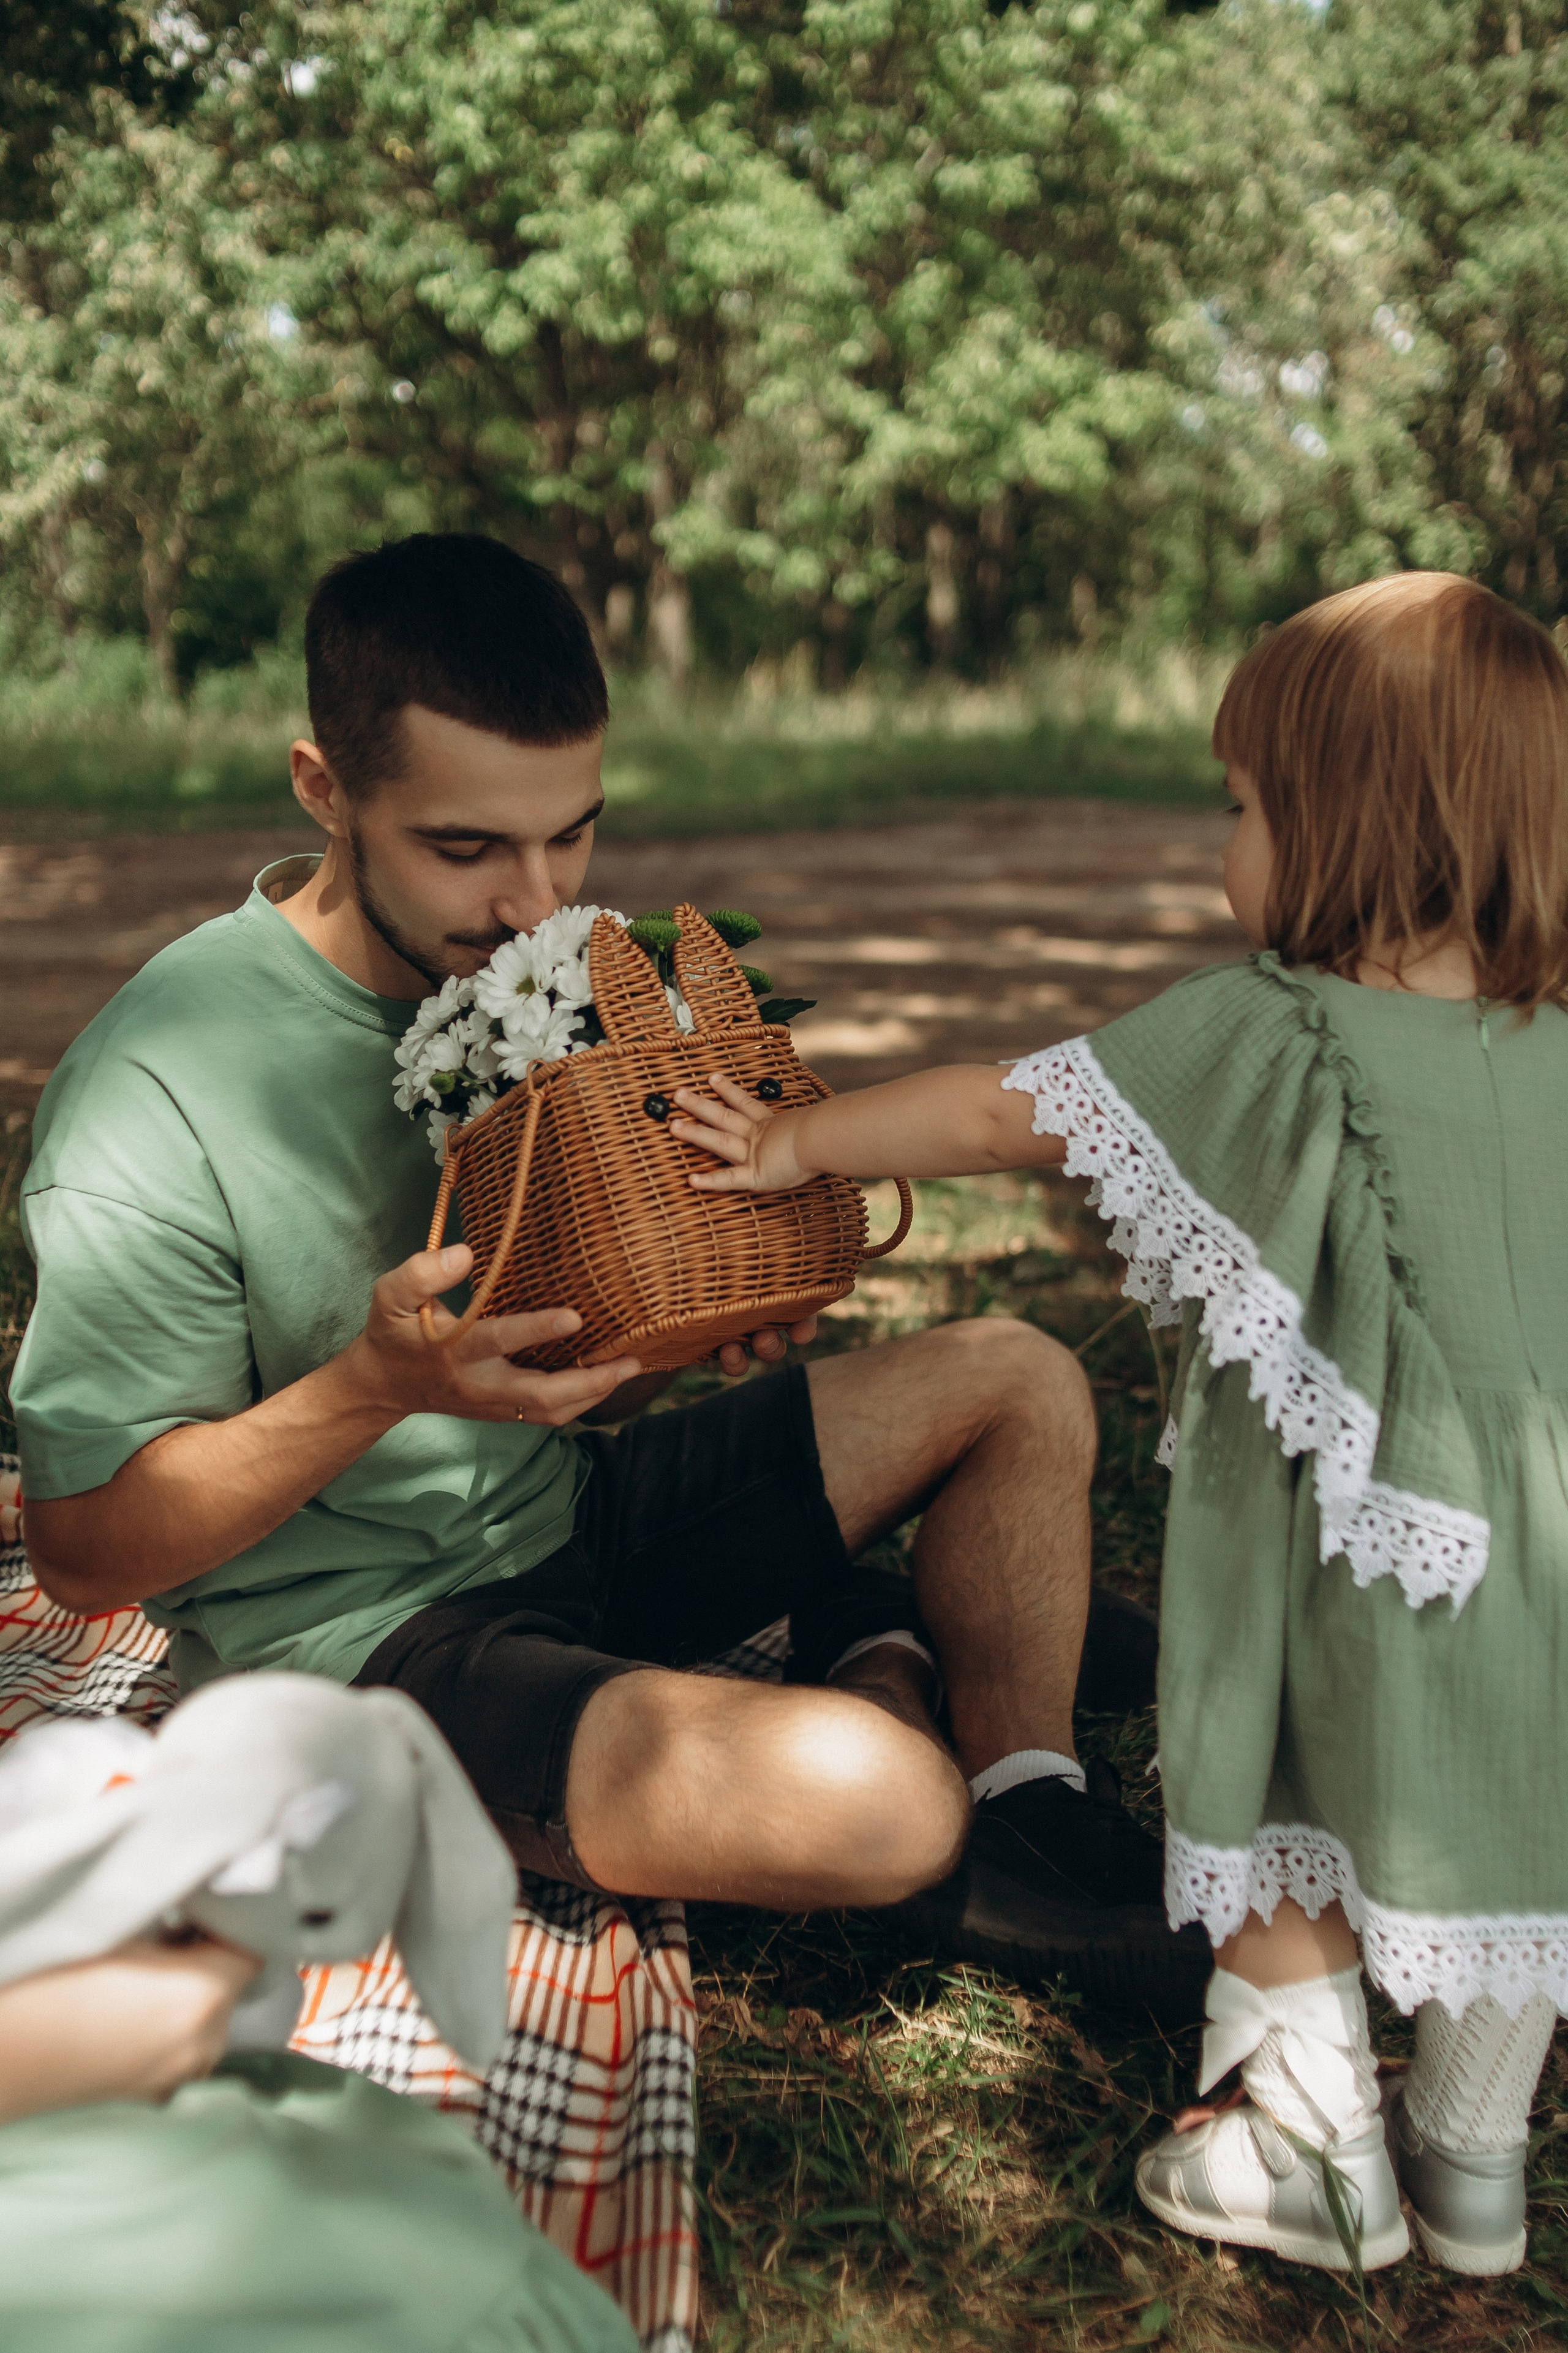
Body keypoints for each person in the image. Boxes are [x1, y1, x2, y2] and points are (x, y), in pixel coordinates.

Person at [10, 532, 1204, 2019]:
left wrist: (686, 1324)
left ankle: (1029, 1796)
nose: (535, 903)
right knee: (881, 1798)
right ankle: (885, 1664)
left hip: (575, 1507)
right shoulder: (157, 1087)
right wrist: (378, 1385)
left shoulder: (559, 980)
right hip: (365, 1643)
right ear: (324, 789)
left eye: (569, 834)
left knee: (1016, 1377)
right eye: (466, 848)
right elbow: (83, 1551)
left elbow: (566, 1352)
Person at [667, 572, 1568, 2277]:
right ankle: (1472, 2170)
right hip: (1547, 1564)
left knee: (1295, 1796)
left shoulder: (1274, 1029)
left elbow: (1017, 1111)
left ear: (1341, 823)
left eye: (1241, 807)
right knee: (1519, 1814)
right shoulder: (1555, 1043)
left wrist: (798, 1145)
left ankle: (1316, 2148)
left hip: (1337, 1575)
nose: (1224, 844)